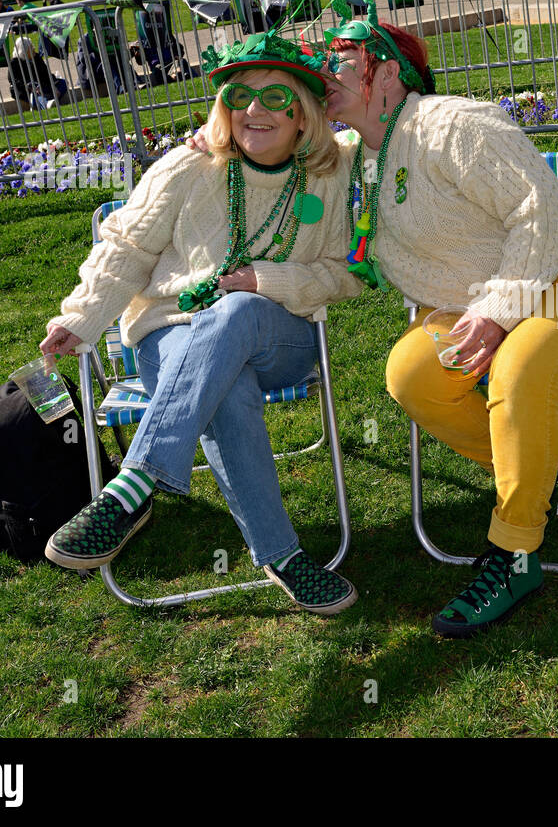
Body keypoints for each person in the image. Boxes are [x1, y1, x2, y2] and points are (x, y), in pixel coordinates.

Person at [195, 0, 558, 636]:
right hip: (464, 310)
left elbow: (536, 209)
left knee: (517, 370)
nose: (320, 71)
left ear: (388, 74)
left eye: (338, 60)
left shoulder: (454, 124)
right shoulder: (349, 161)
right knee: (410, 374)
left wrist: (495, 311)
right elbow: (286, 189)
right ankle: (531, 482)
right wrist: (220, 149)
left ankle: (515, 553)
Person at [39, 30, 362, 614]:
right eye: (240, 98)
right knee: (225, 391)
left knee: (236, 310)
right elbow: (127, 248)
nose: (255, 112)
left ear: (305, 114)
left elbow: (345, 272)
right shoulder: (188, 165)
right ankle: (282, 555)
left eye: (276, 98)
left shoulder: (331, 172)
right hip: (171, 333)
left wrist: (266, 280)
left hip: (278, 335)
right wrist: (83, 318)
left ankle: (133, 488)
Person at [8, 36, 68, 110]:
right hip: (27, 90)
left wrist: (54, 84)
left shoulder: (37, 57)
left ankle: (47, 102)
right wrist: (31, 86)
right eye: (31, 47)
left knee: (63, 83)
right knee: (34, 95)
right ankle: (45, 104)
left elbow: (46, 73)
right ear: (23, 50)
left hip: (41, 86)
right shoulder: (14, 63)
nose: (33, 48)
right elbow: (14, 81)